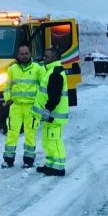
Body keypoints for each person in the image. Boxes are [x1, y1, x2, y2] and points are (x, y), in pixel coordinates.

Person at [2, 44, 41, 168]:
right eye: (22, 54)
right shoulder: (12, 69)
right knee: (12, 133)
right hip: (16, 106)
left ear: (30, 54)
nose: (24, 56)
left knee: (30, 133)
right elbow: (6, 86)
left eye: (26, 53)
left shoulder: (37, 68)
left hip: (31, 107)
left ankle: (28, 160)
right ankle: (8, 159)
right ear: (18, 55)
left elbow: (42, 88)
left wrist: (39, 103)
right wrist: (8, 99)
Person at [32, 46, 68, 176]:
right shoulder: (51, 71)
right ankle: (50, 164)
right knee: (47, 141)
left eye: (46, 56)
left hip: (54, 115)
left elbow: (54, 96)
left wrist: (48, 109)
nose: (43, 58)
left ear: (54, 57)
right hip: (50, 116)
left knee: (54, 141)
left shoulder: (55, 73)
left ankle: (59, 167)